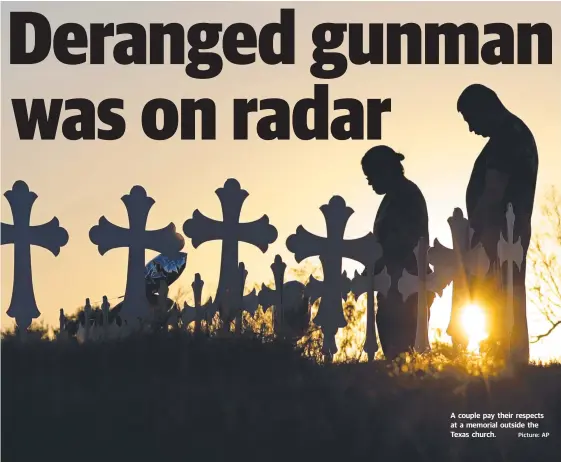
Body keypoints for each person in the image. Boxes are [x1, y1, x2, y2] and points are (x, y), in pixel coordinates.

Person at [457, 84, 539, 364]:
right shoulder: (510, 135)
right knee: (506, 296)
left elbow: (494, 192)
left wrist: (474, 236)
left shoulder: (508, 136)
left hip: (499, 236)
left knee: (503, 297)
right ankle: (507, 358)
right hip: (502, 237)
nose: (470, 128)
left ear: (485, 108)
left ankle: (508, 361)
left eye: (470, 119)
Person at [361, 145, 435, 360]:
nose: (369, 182)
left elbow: (398, 241)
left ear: (385, 170)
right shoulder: (395, 196)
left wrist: (376, 265)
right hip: (394, 285)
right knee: (397, 355)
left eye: (371, 175)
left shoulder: (405, 194)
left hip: (405, 286)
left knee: (405, 354)